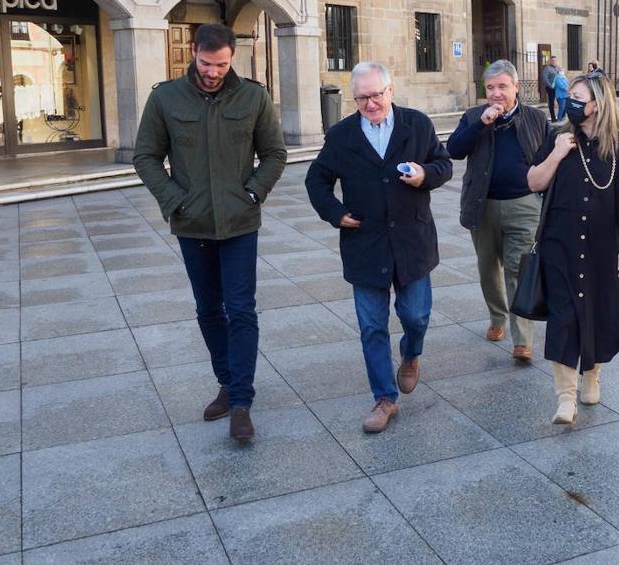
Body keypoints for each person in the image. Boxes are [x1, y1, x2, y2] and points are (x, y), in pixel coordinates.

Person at [133, 23, 287, 443]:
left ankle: (240, 401)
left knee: (241, 309)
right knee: (207, 309)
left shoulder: (253, 96)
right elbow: (145, 156)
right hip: (193, 224)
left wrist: (253, 194)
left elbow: (274, 154)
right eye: (206, 63)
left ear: (232, 57)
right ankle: (226, 379)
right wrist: (174, 200)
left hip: (240, 224)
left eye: (221, 64)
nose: (213, 72)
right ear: (194, 55)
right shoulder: (165, 97)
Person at [305, 62, 453, 433]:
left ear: (391, 91)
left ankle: (411, 353)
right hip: (365, 244)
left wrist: (425, 175)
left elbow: (443, 164)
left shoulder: (416, 124)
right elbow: (316, 180)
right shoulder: (341, 136)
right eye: (362, 97)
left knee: (416, 316)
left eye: (377, 95)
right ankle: (385, 398)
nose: (371, 103)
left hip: (412, 242)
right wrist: (336, 214)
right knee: (372, 326)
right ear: (354, 99)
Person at [526, 72, 619, 424]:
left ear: (597, 104)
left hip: (603, 248)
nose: (570, 102)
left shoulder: (618, 145)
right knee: (563, 316)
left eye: (578, 96)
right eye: (570, 95)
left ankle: (592, 374)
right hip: (559, 244)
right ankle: (564, 398)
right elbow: (533, 182)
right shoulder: (557, 137)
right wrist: (557, 155)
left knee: (601, 312)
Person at [447, 60, 551, 361]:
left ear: (516, 87)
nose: (496, 94)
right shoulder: (472, 117)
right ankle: (497, 318)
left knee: (519, 268)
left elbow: (548, 158)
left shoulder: (535, 118)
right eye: (490, 88)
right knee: (488, 268)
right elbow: (453, 150)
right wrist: (482, 123)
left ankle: (522, 339)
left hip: (524, 204)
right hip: (482, 205)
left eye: (502, 87)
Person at [541, 57, 560, 122]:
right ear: (550, 61)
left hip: (558, 88)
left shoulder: (558, 68)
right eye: (552, 60)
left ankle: (560, 117)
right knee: (551, 103)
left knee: (561, 102)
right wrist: (550, 85)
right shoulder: (547, 68)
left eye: (555, 60)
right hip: (550, 88)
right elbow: (544, 78)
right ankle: (553, 118)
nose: (554, 62)